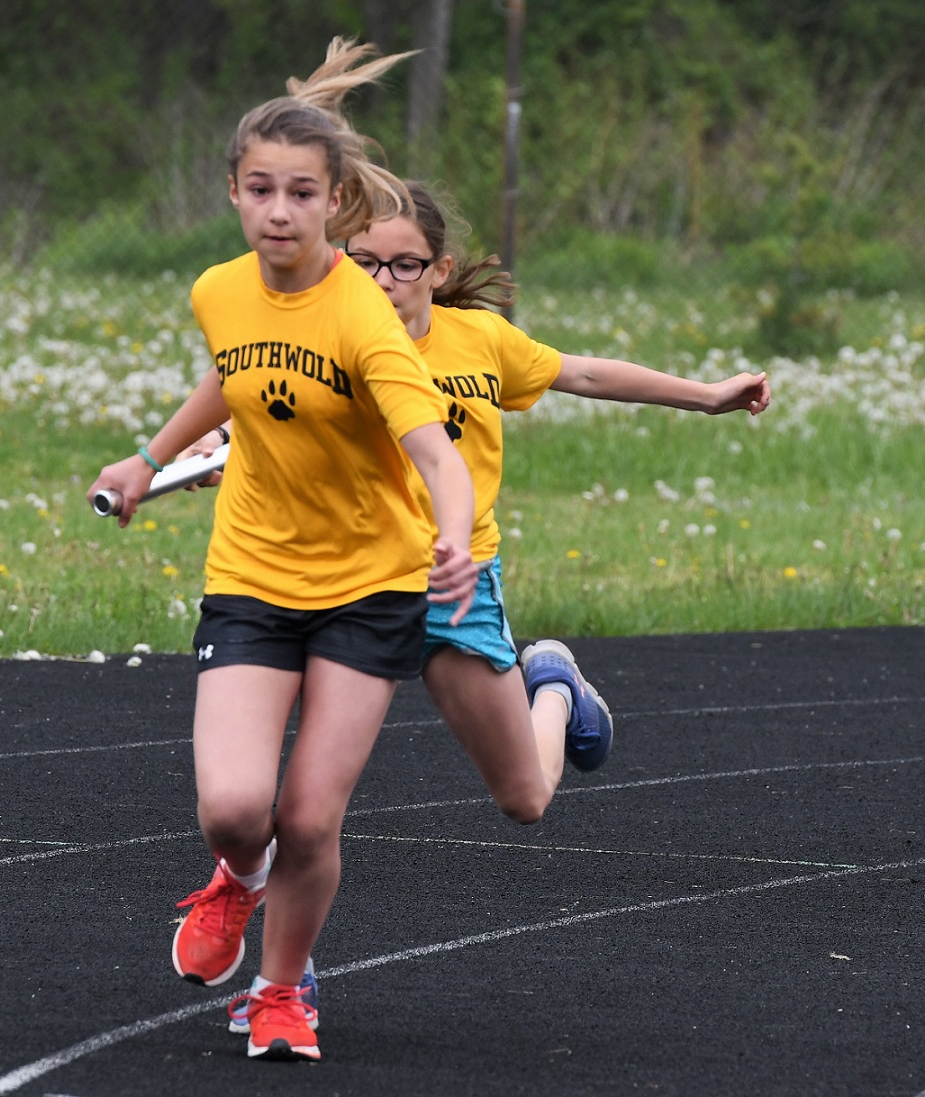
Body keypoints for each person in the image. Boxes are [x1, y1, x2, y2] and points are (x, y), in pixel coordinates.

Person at [219, 178, 771, 1034]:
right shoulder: (317, 334)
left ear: (437, 271)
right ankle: (288, 976)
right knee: (298, 799)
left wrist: (707, 395)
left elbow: (582, 370)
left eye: (403, 264)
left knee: (525, 797)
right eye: (363, 260)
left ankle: (552, 684)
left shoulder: (481, 342)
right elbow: (259, 411)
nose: (382, 278)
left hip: (452, 584)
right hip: (341, 585)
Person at [87, 45, 478, 1064]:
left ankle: (278, 990)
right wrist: (147, 457)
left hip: (368, 583)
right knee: (232, 808)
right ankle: (236, 875)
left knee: (306, 815)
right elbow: (235, 373)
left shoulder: (363, 317)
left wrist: (453, 532)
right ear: (231, 190)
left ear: (333, 201)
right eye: (259, 189)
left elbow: (432, 449)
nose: (278, 210)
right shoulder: (220, 290)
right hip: (255, 574)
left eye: (301, 193)